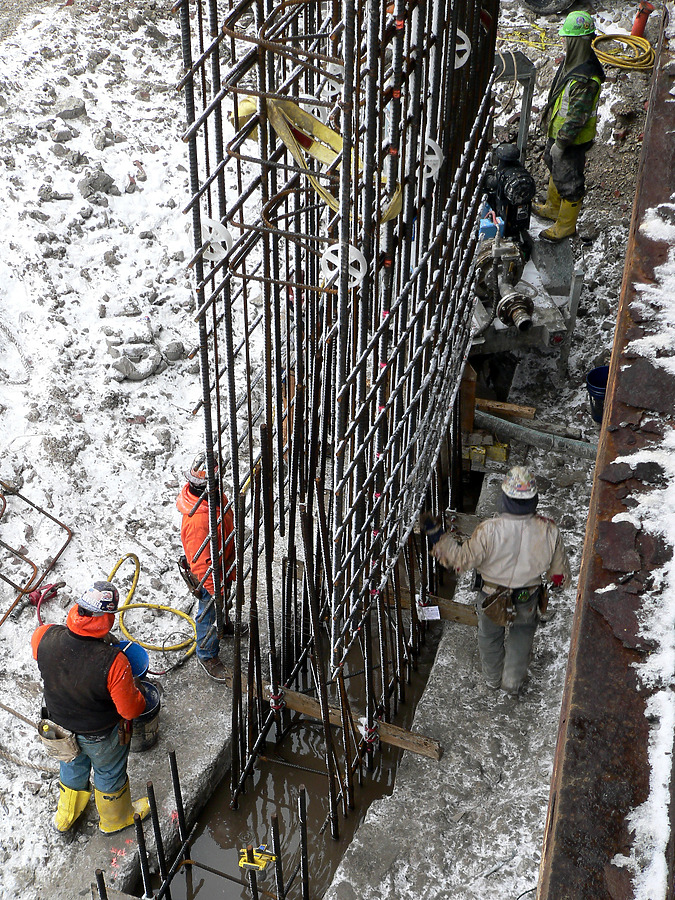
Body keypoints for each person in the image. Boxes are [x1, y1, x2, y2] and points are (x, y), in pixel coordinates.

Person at [421, 466, 571, 694]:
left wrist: (437, 536)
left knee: (489, 637)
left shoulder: (489, 530)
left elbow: (460, 560)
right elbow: (558, 575)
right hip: (528, 596)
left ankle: (492, 680)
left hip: (491, 596)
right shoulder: (549, 530)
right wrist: (557, 580)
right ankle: (512, 683)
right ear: (534, 500)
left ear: (505, 499)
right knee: (522, 636)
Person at [31, 582, 149, 834]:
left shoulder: (43, 636)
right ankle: (115, 820)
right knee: (109, 772)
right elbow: (130, 711)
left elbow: (62, 661)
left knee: (71, 765)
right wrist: (138, 695)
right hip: (100, 735)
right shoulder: (114, 663)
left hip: (59, 729)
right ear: (107, 618)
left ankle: (66, 816)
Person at [533, 10, 605, 241]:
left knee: (569, 180)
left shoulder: (585, 78)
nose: (563, 42)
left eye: (567, 38)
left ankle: (566, 225)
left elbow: (576, 117)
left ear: (577, 41)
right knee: (553, 163)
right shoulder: (573, 63)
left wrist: (562, 143)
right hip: (559, 132)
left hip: (572, 139)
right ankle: (553, 208)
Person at [176, 452, 237, 683]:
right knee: (209, 611)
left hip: (222, 562)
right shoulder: (199, 521)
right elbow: (201, 562)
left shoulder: (212, 498)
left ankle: (224, 624)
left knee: (223, 600)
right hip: (210, 574)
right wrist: (213, 589)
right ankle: (207, 654)